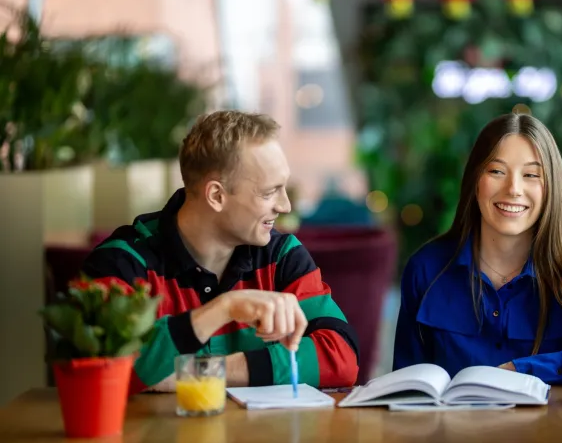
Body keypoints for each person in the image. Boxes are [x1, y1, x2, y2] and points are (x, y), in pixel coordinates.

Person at [82, 111, 359, 394]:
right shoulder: (121, 263)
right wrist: (224, 308)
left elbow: (341, 358)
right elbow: (103, 374)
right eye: (269, 192)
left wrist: (201, 373)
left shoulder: (282, 255)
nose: (285, 206)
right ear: (216, 196)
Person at [393, 113, 562, 385]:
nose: (513, 189)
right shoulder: (426, 268)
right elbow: (406, 386)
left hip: (554, 428)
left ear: (551, 187)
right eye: (496, 171)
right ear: (474, 181)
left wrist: (518, 371)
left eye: (531, 175)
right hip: (455, 427)